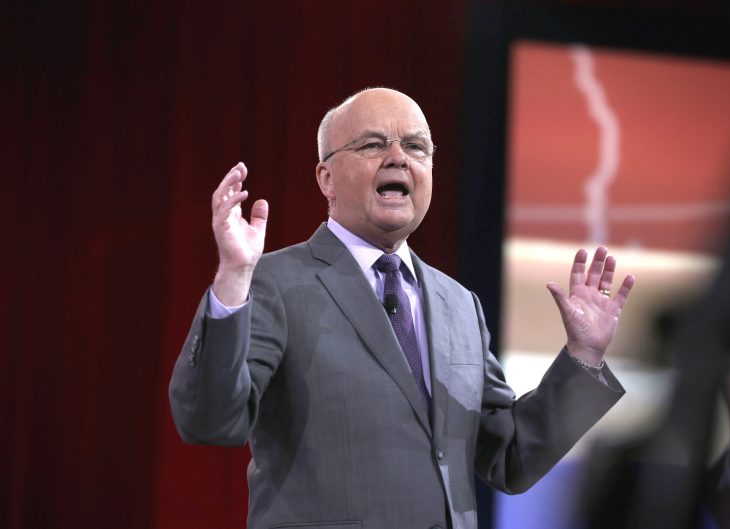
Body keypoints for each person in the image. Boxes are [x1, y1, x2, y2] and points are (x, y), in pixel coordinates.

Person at [169, 88, 635, 529]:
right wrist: (232, 276)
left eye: (415, 146)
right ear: (326, 178)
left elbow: (510, 456)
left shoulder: (459, 304)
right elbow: (211, 420)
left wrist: (583, 357)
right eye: (373, 145)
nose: (398, 157)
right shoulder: (275, 281)